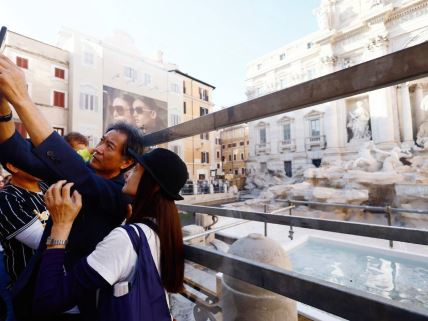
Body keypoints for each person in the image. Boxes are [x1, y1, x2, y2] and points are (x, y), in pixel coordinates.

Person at [0, 54, 145, 320]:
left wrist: (22, 98)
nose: (97, 149)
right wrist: (3, 103)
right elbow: (16, 151)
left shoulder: (116, 195)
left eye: (109, 147)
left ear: (127, 162)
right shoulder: (80, 174)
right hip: (36, 291)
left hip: (75, 304)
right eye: (101, 141)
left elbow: (74, 170)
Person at [33, 148, 188, 321]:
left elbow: (48, 300)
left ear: (154, 186)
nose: (127, 175)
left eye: (136, 169)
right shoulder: (162, 232)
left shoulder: (125, 239)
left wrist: (61, 226)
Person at [0, 161, 49, 321]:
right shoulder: (7, 199)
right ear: (13, 167)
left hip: (53, 282)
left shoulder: (45, 186)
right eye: (30, 158)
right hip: (29, 286)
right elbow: (42, 242)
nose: (42, 162)